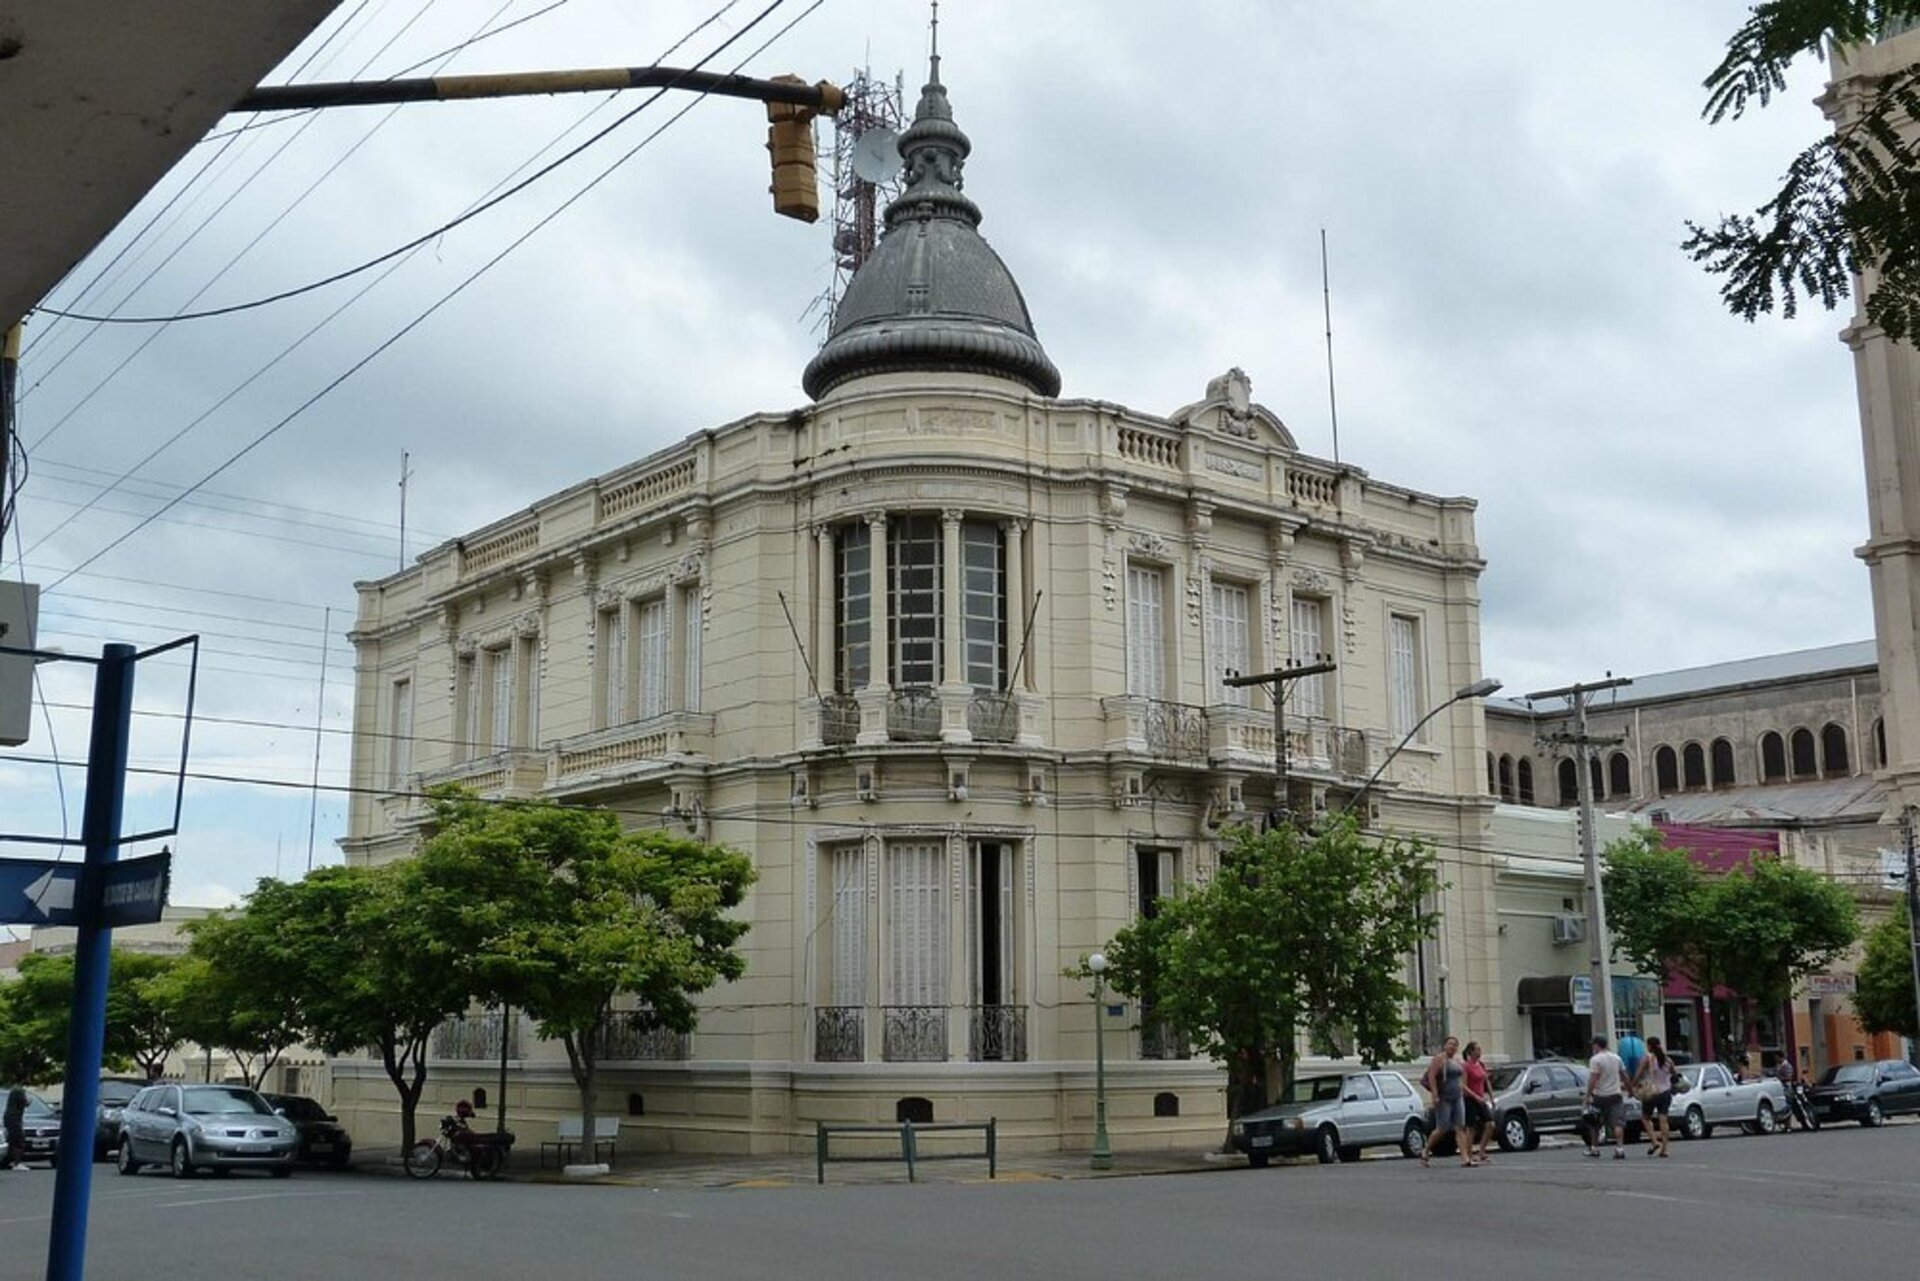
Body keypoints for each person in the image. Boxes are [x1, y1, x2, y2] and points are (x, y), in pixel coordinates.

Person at [1421, 1035, 1477, 1168]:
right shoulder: (1439, 1059)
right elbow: (1432, 1076)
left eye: (1455, 1045)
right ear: (1445, 1045)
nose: (1453, 1047)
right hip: (1444, 1097)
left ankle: (1464, 1158)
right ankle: (1426, 1149)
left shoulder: (1457, 1060)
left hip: (1457, 1097)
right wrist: (1435, 1094)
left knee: (1460, 1126)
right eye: (1450, 1044)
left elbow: (1461, 1078)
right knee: (1442, 1128)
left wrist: (1466, 1092)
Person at [1582, 1035, 1628, 1160]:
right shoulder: (1616, 1058)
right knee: (1618, 1123)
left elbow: (1593, 1078)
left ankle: (1595, 1148)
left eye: (1593, 1045)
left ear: (1597, 1045)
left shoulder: (1595, 1060)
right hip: (1615, 1094)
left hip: (1600, 1095)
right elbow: (1624, 1074)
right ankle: (1619, 1148)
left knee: (1594, 1122)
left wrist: (1587, 1095)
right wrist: (1630, 1089)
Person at [1633, 1035, 1676, 1157]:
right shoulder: (1668, 1059)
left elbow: (1638, 1073)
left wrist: (1633, 1085)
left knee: (1646, 1118)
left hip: (1652, 1092)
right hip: (1666, 1092)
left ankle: (1654, 1141)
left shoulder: (1647, 1058)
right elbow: (1675, 1074)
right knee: (1663, 1120)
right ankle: (1665, 1148)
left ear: (1649, 1046)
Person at [1462, 1041, 1496, 1164]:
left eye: (1480, 1050)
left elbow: (1486, 1081)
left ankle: (1482, 1150)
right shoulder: (1466, 1066)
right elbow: (1463, 1086)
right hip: (1470, 1099)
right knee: (1471, 1128)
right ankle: (1469, 1154)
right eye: (1477, 1050)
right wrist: (1475, 1096)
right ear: (1471, 1052)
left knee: (1490, 1124)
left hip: (1481, 1099)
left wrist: (1491, 1097)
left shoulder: (1480, 1064)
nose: (1479, 1052)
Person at [1, 1086, 26, 1171]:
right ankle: (17, 1163)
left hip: (10, 1118)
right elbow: (24, 1103)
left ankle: (9, 1161)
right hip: (15, 1119)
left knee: (11, 1141)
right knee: (19, 1141)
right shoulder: (19, 1091)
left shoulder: (13, 1091)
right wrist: (29, 1101)